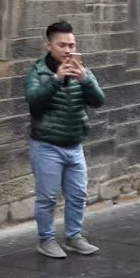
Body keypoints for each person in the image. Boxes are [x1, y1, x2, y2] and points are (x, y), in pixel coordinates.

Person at [25, 21, 105, 258]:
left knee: (78, 195)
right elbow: (34, 102)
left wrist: (85, 80)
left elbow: (98, 100)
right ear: (49, 45)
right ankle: (46, 240)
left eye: (72, 45)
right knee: (47, 197)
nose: (68, 50)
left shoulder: (82, 70)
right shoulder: (38, 71)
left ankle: (74, 237)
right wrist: (56, 79)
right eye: (63, 45)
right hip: (46, 144)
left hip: (74, 144)